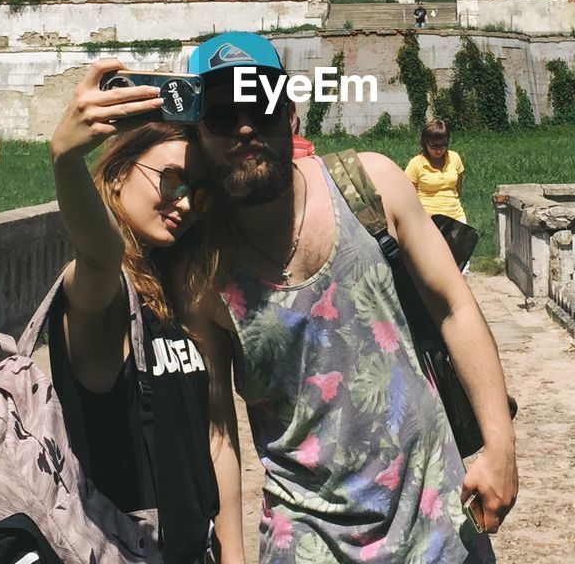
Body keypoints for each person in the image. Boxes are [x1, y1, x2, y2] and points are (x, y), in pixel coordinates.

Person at [182, 33, 517, 564]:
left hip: (437, 519)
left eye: (260, 106)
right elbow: (218, 432)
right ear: (197, 133)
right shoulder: (203, 276)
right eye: (223, 117)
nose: (245, 127)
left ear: (289, 115)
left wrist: (500, 446)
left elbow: (454, 307)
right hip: (309, 541)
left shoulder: (370, 184)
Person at [48, 59, 221, 563]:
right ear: (120, 174)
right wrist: (66, 159)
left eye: (198, 192)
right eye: (172, 182)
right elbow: (100, 254)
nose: (185, 204)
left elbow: (209, 443)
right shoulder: (100, 294)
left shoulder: (176, 298)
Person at [404, 119, 467, 224]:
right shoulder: (416, 163)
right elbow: (409, 196)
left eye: (443, 145)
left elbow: (458, 189)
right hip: (428, 219)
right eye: (434, 146)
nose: (439, 150)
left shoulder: (455, 158)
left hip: (455, 216)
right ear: (425, 142)